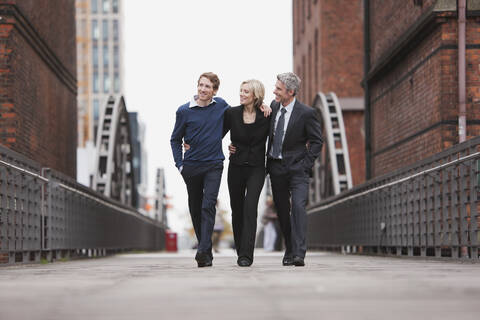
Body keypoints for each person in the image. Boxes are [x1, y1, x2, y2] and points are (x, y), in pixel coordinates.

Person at [171, 73, 271, 268]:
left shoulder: (222, 106)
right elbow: (175, 139)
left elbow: (228, 125)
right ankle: (205, 249)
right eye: (201, 85)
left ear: (214, 91)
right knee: (195, 208)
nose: (202, 89)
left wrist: (263, 106)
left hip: (214, 164)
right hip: (191, 166)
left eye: (207, 86)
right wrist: (180, 164)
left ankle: (205, 251)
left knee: (208, 205)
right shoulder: (183, 111)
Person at [266, 72, 323, 267]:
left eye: (278, 89)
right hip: (276, 167)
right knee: (282, 211)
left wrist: (306, 164)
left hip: (298, 169)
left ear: (290, 92)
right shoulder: (273, 107)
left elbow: (317, 141)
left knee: (298, 207)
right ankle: (289, 249)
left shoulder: (307, 113)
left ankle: (299, 253)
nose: (274, 91)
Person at [223, 79, 270, 267]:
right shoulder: (232, 113)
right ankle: (239, 250)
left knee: (250, 207)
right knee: (237, 210)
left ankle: (246, 255)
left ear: (255, 95)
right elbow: (216, 133)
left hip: (257, 168)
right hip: (236, 167)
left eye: (246, 92)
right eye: (241, 91)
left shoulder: (266, 114)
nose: (241, 94)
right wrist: (192, 143)